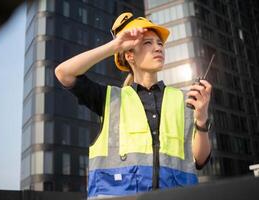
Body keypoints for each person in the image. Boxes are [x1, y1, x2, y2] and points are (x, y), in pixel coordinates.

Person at [55, 12, 212, 199]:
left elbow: (200, 160)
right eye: (148, 43)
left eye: (160, 43)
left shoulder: (184, 99)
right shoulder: (110, 98)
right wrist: (114, 46)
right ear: (129, 55)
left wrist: (201, 119)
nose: (158, 48)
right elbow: (63, 73)